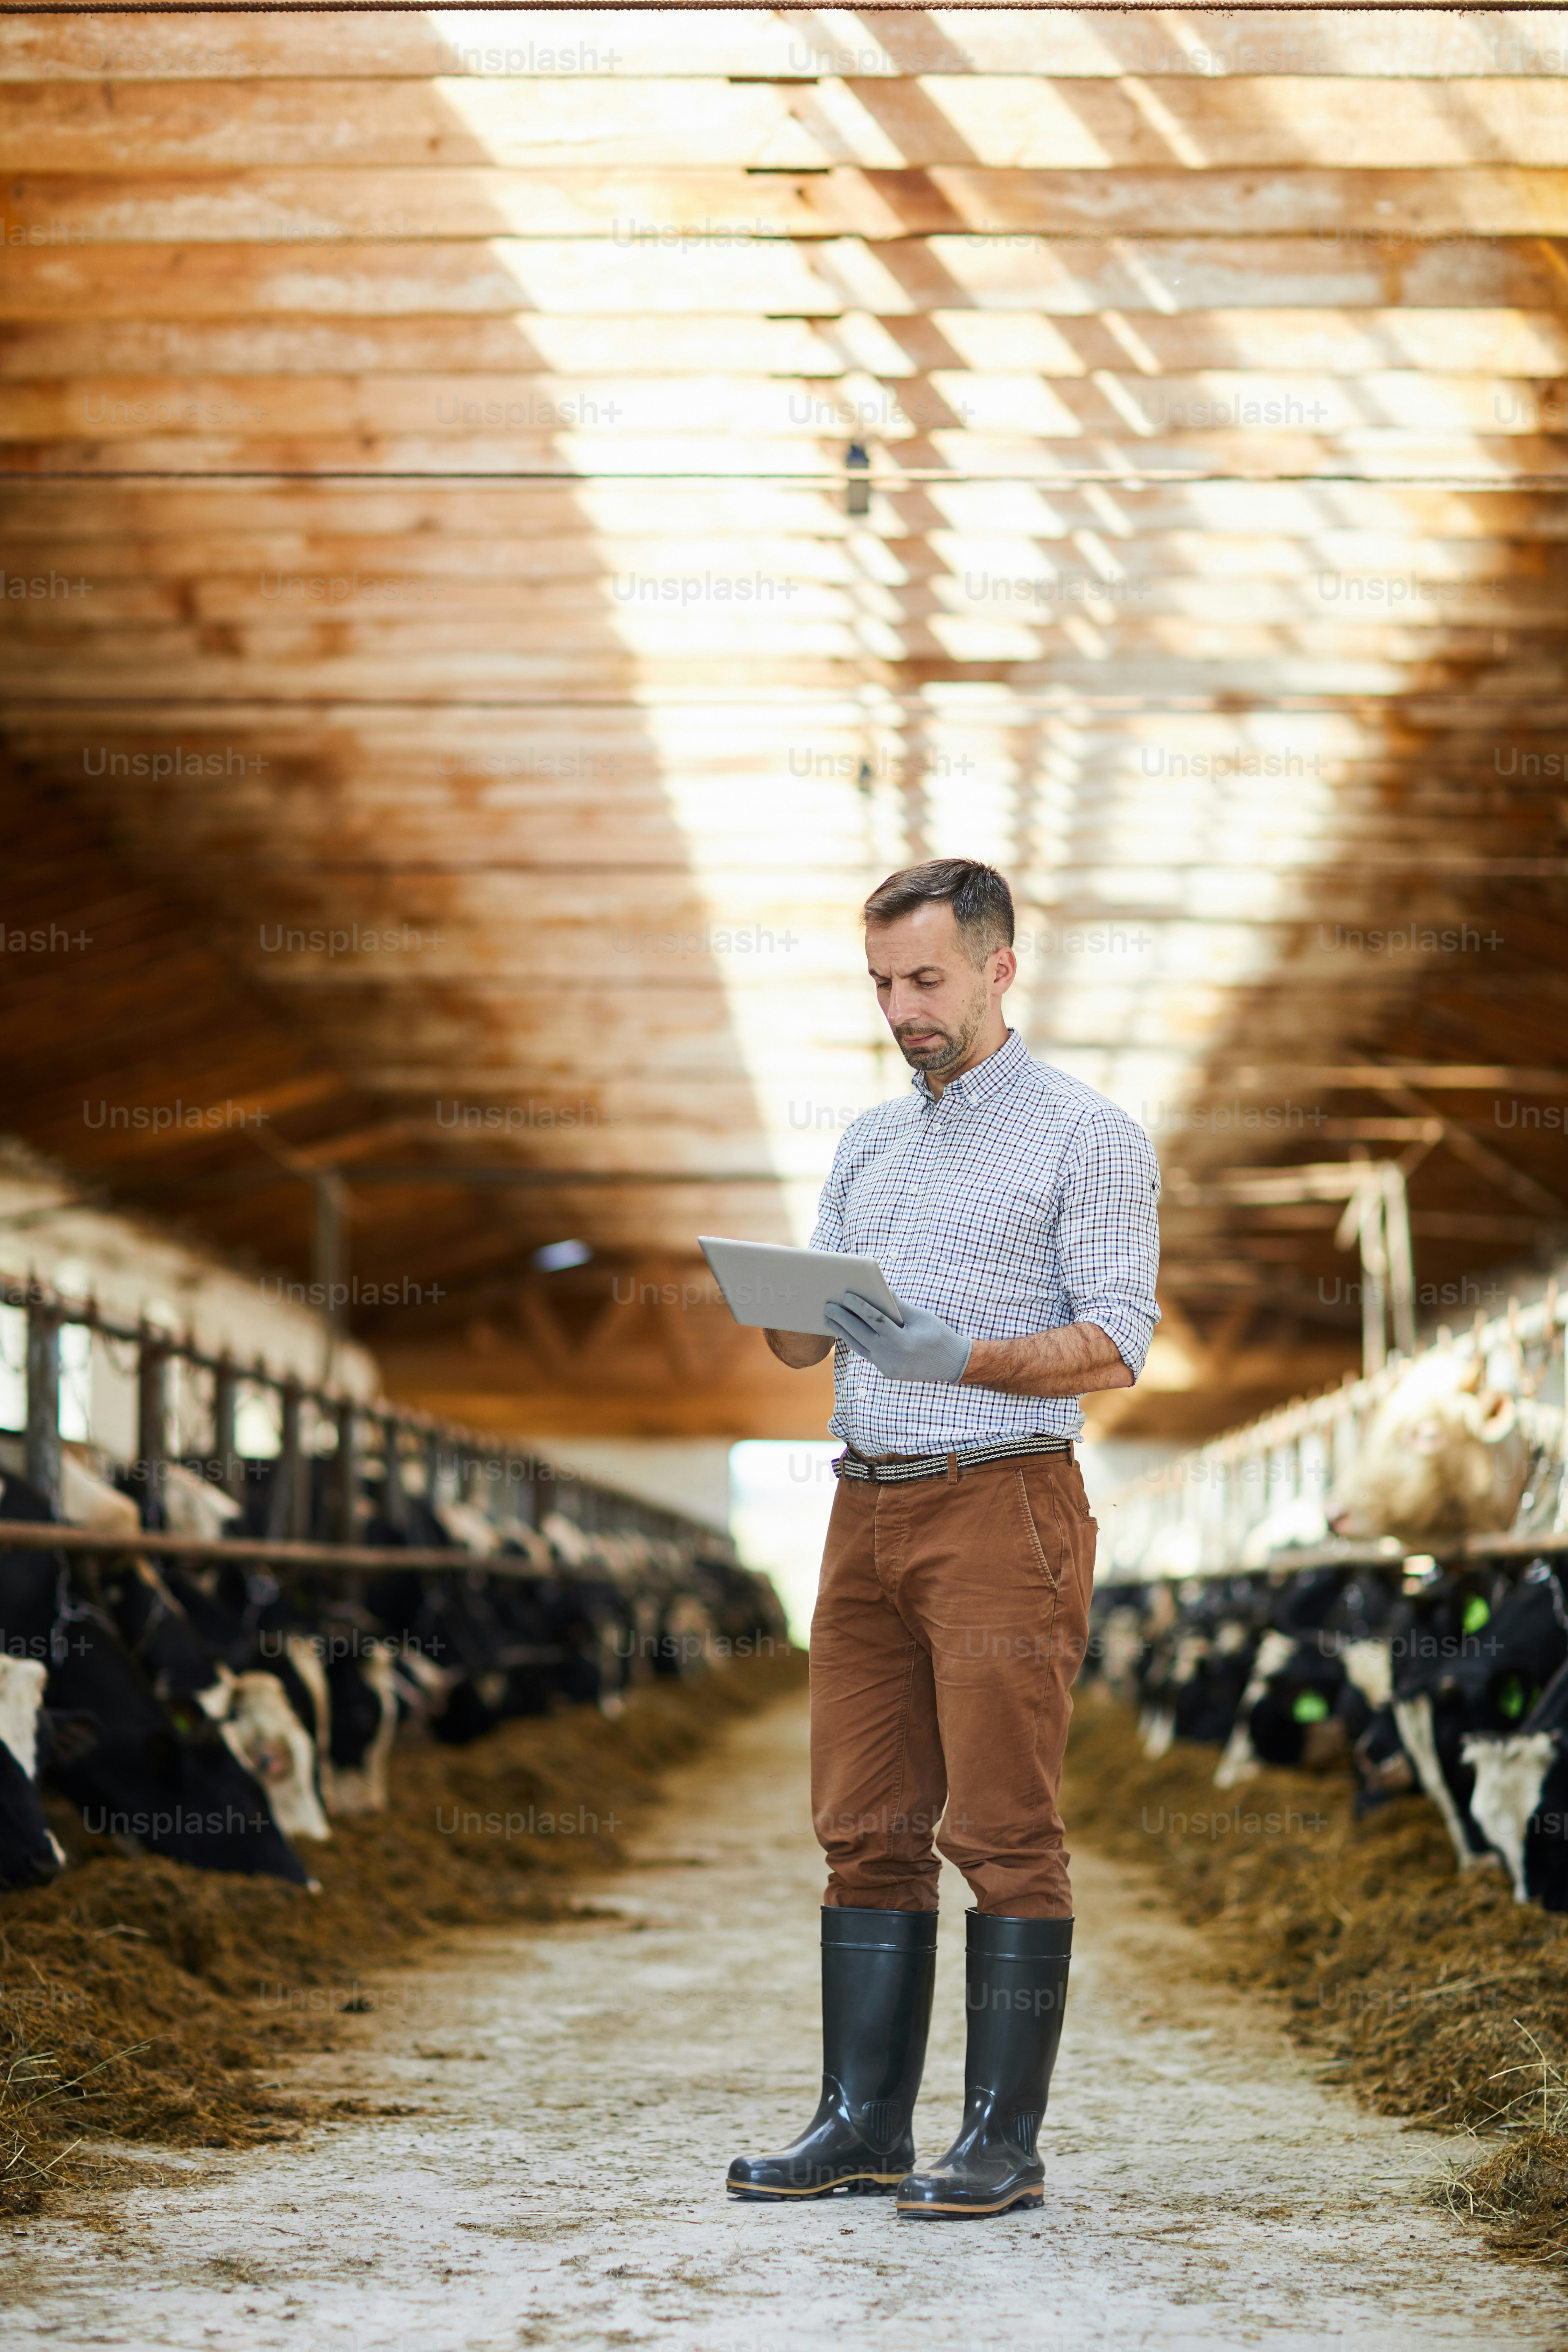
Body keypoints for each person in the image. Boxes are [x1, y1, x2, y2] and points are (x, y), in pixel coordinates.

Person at [727, 856, 1160, 2219]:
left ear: (996, 968)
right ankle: (860, 2124)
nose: (901, 1008)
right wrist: (781, 1306)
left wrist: (957, 1353)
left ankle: (999, 2140)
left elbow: (1116, 1339)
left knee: (1003, 1829)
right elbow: (808, 1338)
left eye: (924, 980)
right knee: (863, 1826)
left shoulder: (1087, 1134)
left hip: (1000, 1497)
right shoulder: (866, 1140)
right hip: (862, 1502)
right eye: (880, 984)